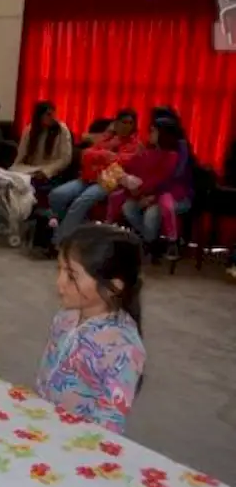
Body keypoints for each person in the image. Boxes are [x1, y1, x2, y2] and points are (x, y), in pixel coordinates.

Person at [36, 223, 145, 434]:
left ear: (113, 286)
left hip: (78, 442)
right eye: (59, 270)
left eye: (72, 276)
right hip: (44, 425)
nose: (59, 283)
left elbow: (110, 423)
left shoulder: (123, 349)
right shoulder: (65, 317)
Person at [49, 108, 142, 244]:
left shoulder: (136, 145)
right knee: (57, 195)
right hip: (89, 178)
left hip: (110, 182)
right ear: (116, 123)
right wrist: (105, 154)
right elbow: (86, 155)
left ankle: (60, 242)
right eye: (123, 122)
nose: (126, 126)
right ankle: (76, 229)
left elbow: (123, 161)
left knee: (81, 201)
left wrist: (101, 157)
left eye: (130, 123)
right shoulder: (108, 138)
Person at [115, 117, 193, 259]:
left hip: (167, 195)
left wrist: (149, 196)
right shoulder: (147, 151)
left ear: (162, 134)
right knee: (128, 208)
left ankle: (149, 244)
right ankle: (151, 241)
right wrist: (129, 183)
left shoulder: (172, 155)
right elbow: (134, 170)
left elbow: (163, 180)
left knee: (152, 214)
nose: (149, 135)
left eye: (152, 131)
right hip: (144, 193)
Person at [12, 100, 73, 190]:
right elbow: (21, 153)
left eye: (53, 114)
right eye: (48, 115)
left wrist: (46, 171)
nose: (52, 118)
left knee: (28, 185)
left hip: (51, 171)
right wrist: (14, 167)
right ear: (39, 116)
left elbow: (65, 159)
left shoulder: (62, 130)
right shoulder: (29, 130)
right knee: (12, 178)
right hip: (31, 169)